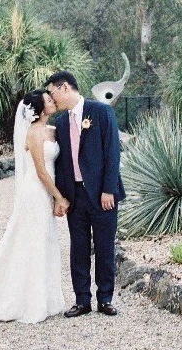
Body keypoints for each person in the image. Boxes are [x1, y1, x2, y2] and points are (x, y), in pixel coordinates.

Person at [0, 89, 69, 323]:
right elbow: (40, 171)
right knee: (33, 240)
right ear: (39, 109)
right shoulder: (34, 133)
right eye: (48, 100)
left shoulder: (52, 130)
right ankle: (25, 300)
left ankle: (48, 298)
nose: (53, 101)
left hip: (47, 191)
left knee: (45, 239)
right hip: (37, 191)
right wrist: (59, 197)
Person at [46, 70, 125, 318]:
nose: (51, 98)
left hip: (103, 194)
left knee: (104, 248)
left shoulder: (101, 112)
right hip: (75, 196)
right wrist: (59, 197)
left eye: (52, 92)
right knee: (78, 248)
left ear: (65, 88)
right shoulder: (59, 123)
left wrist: (108, 189)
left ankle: (105, 299)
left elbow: (113, 153)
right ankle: (82, 300)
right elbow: (59, 164)